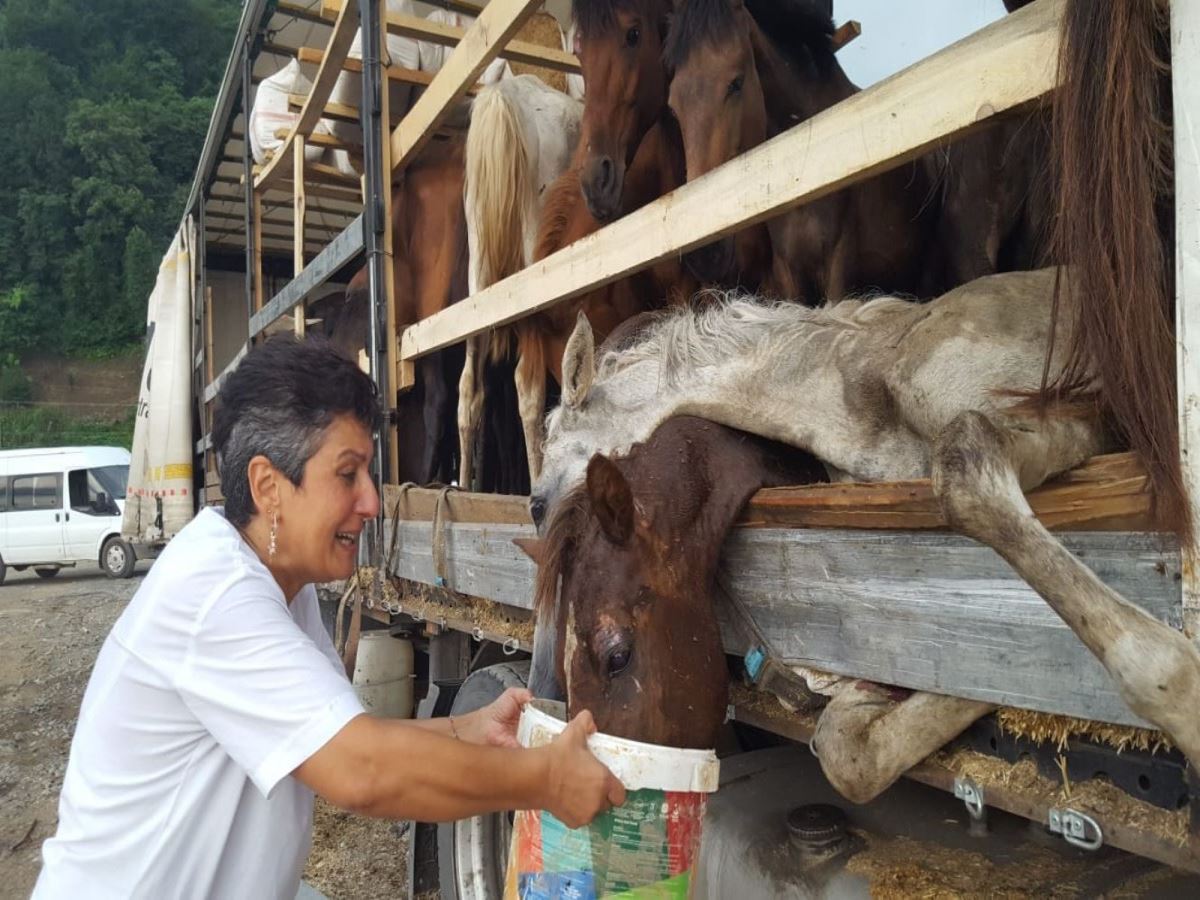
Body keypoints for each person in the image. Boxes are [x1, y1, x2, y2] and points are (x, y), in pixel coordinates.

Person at [33, 336, 624, 900]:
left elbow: (338, 740)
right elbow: (360, 772)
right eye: (348, 474)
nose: (371, 500)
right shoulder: (216, 594)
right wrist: (547, 780)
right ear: (268, 486)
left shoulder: (280, 585)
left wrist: (470, 730)